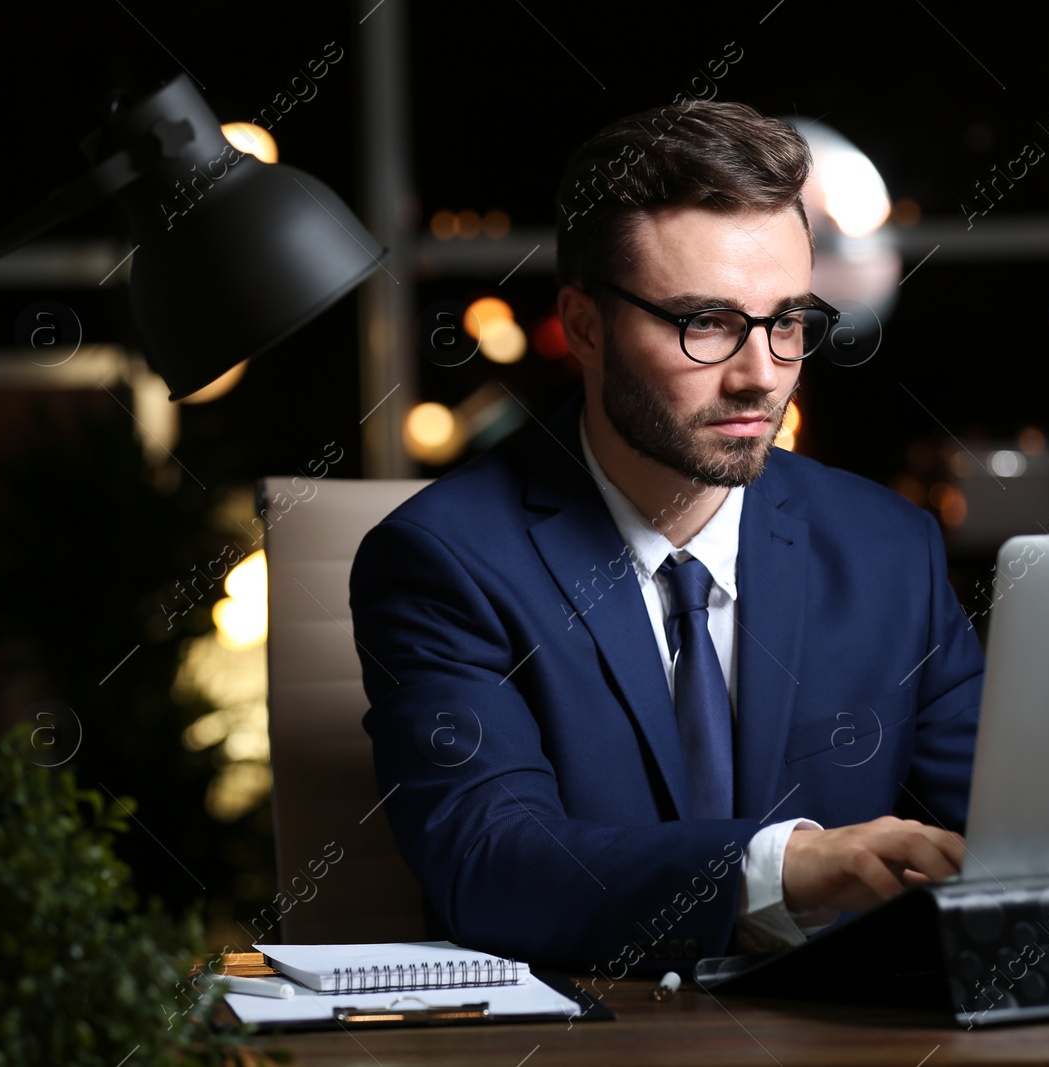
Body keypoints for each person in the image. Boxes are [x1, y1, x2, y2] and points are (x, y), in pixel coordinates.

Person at [350, 101, 984, 978]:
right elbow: (490, 867)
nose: (761, 374)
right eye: (707, 323)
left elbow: (1000, 838)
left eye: (790, 320)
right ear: (584, 327)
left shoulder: (890, 550)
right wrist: (784, 866)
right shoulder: (441, 560)